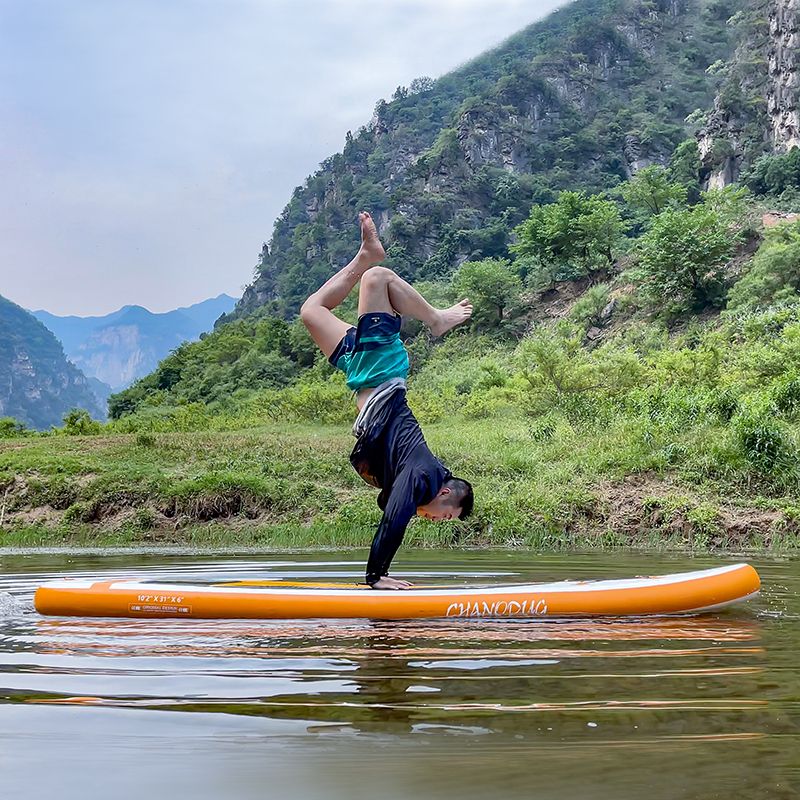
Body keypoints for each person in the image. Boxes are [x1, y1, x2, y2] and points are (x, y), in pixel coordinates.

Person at [300, 211, 475, 589]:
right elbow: (393, 517)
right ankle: (436, 319)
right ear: (445, 494)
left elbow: (392, 505)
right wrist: (376, 577)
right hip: (381, 371)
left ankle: (365, 254)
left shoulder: (415, 479)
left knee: (312, 312)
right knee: (378, 280)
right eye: (445, 516)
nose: (436, 521)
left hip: (361, 371)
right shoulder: (423, 475)